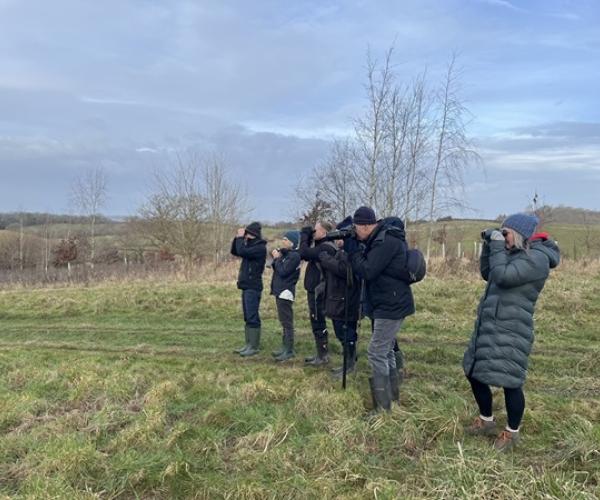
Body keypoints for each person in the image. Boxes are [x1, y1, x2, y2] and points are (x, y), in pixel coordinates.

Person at [463, 213, 560, 451]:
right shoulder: (514, 253)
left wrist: (497, 245)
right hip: (490, 324)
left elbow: (503, 277)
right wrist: (489, 245)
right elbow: (489, 273)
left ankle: (512, 433)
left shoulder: (537, 259)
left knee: (510, 381)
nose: (503, 238)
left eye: (505, 234)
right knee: (473, 371)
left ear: (518, 234)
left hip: (512, 328)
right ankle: (486, 420)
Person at [347, 207, 415, 413]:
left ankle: (383, 408)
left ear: (367, 226)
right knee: (385, 351)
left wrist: (353, 251)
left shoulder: (387, 241)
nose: (355, 231)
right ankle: (392, 396)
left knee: (376, 352)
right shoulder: (380, 239)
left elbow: (368, 270)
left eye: (357, 228)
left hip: (390, 305)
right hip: (386, 302)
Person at [317, 216, 361, 379]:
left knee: (346, 332)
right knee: (341, 332)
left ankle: (350, 363)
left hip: (346, 300)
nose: (337, 239)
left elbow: (345, 271)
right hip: (338, 299)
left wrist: (326, 259)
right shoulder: (343, 252)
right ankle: (348, 362)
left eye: (341, 235)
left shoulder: (353, 252)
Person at [299, 220, 337, 366]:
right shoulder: (322, 246)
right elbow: (304, 254)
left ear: (324, 232)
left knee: (318, 321)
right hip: (316, 290)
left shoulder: (326, 248)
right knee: (317, 320)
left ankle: (323, 356)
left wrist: (304, 235)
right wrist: (308, 237)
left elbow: (303, 252)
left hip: (319, 291)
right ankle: (321, 354)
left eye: (316, 230)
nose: (313, 232)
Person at [230, 222, 267, 357]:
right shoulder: (250, 246)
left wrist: (241, 238)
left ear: (252, 234)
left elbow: (242, 251)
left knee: (252, 316)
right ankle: (248, 344)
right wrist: (237, 238)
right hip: (246, 285)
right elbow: (235, 251)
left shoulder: (259, 248)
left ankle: (254, 346)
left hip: (253, 286)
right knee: (247, 316)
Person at [270, 230, 301, 362]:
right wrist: (278, 258)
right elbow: (276, 267)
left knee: (287, 322)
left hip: (286, 292)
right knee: (283, 321)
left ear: (292, 242)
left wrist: (277, 258)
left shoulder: (294, 256)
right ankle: (284, 347)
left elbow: (283, 271)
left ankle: (289, 350)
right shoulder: (287, 255)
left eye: (286, 239)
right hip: (280, 291)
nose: (283, 241)